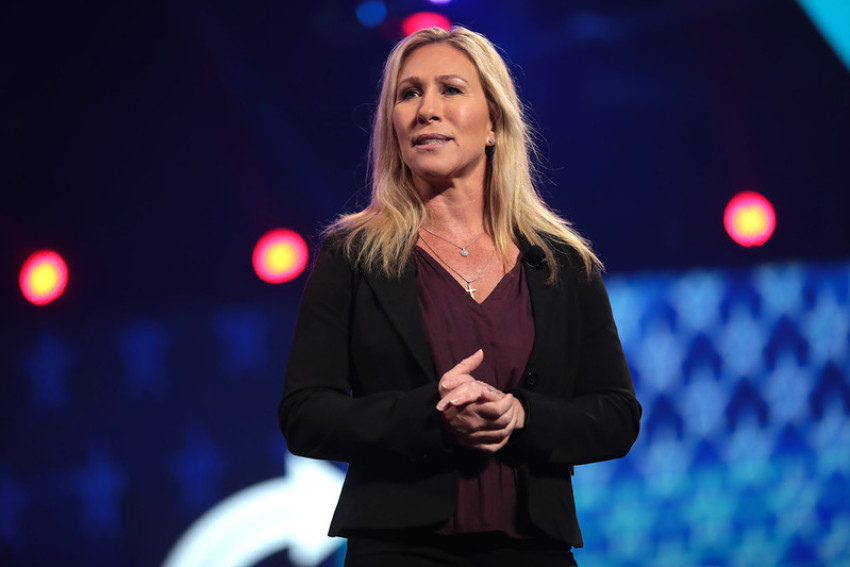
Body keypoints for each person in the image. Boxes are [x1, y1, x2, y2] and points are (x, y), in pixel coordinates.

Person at [278, 26, 641, 566]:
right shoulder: (352, 256)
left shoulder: (563, 263)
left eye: (450, 89)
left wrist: (522, 416)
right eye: (409, 93)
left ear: (493, 122)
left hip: (533, 549)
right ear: (393, 125)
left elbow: (615, 416)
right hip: (398, 549)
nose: (426, 110)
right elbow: (305, 414)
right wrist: (431, 416)